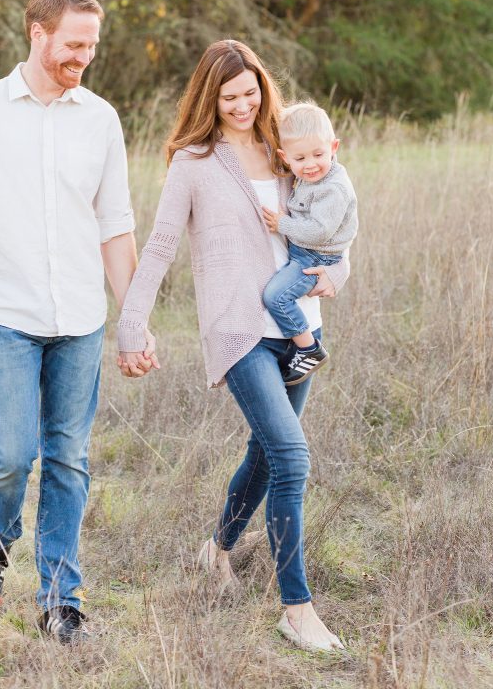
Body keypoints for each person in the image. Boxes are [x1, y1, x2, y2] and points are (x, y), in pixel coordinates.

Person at [0, 0, 156, 644]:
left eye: (91, 46)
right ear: (37, 32)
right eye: (72, 45)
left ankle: (62, 600)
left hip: (81, 319)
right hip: (2, 315)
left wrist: (133, 317)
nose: (83, 57)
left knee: (68, 458)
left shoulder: (100, 119)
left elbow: (115, 226)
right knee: (12, 454)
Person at [117, 39, 349, 652]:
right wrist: (131, 323)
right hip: (238, 331)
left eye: (251, 92)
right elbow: (162, 244)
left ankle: (218, 549)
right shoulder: (193, 162)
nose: (243, 104)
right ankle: (296, 610)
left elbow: (338, 224)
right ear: (209, 98)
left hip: (301, 324)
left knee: (268, 453)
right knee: (292, 458)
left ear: (262, 89)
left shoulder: (288, 149)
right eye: (229, 96)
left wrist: (338, 275)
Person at [262, 101, 357, 386]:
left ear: (334, 147)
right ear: (285, 157)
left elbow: (319, 231)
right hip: (306, 253)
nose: (311, 164)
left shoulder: (333, 188)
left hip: (315, 258)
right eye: (300, 159)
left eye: (319, 154)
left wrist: (282, 224)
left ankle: (308, 348)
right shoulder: (306, 173)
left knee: (276, 296)